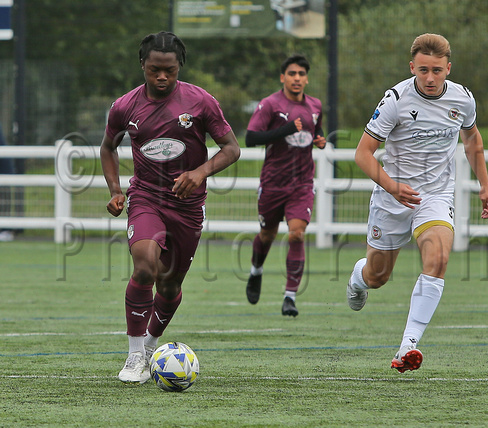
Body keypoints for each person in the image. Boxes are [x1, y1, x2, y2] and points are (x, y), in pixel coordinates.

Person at [346, 33, 488, 373]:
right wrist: (393, 186)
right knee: (378, 276)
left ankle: (407, 346)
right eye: (423, 70)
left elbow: (472, 139)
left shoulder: (463, 98)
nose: (430, 78)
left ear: (448, 69)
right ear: (412, 66)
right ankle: (358, 277)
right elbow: (362, 153)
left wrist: (485, 186)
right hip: (392, 197)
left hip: (436, 196)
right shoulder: (396, 99)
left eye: (437, 71)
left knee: (438, 256)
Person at [100, 31, 240, 384]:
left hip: (189, 206)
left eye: (170, 71)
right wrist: (116, 190)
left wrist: (200, 172)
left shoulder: (201, 102)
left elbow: (231, 148)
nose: (161, 77)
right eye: (153, 70)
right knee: (145, 267)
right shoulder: (125, 106)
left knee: (169, 285)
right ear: (143, 66)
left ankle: (150, 346)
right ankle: (134, 357)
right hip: (146, 197)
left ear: (179, 67)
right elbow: (107, 148)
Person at [245, 54, 326, 317]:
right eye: (292, 74)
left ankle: (290, 296)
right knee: (267, 235)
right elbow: (250, 138)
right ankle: (256, 270)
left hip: (301, 184)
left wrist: (319, 140)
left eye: (301, 74)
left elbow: (314, 132)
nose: (297, 79)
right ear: (283, 77)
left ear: (307, 78)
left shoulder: (315, 105)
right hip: (272, 184)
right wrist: (285, 129)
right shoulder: (270, 104)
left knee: (296, 234)